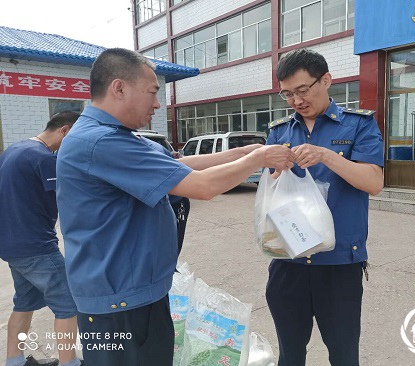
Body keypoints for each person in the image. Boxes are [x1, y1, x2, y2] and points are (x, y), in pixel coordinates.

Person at [55, 48, 293, 366]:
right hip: (121, 306)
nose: (156, 103)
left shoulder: (115, 138)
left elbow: (179, 165)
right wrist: (258, 159)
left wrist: (241, 152)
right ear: (119, 88)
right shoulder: (103, 143)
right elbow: (201, 186)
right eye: (152, 92)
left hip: (131, 297)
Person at [265, 48, 384, 365]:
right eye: (287, 94)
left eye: (302, 90)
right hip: (287, 261)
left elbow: (373, 182)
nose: (296, 100)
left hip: (338, 264)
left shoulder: (358, 125)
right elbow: (270, 190)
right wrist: (277, 172)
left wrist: (326, 155)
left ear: (326, 80)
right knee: (290, 354)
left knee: (344, 354)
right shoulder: (279, 131)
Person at [0, 112, 82, 366]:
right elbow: (68, 200)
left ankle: (15, 360)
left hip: (11, 244)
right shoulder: (44, 158)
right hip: (35, 246)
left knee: (24, 302)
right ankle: (70, 363)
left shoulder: (14, 150)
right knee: (69, 302)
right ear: (65, 131)